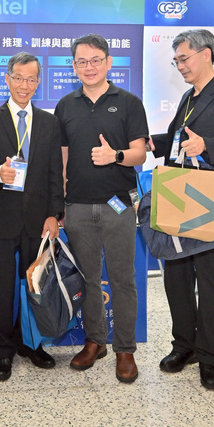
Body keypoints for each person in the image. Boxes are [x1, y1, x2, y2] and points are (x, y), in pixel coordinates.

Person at [148, 29, 214, 390]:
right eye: (176, 60)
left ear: (206, 54)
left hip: (211, 204)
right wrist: (146, 141)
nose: (179, 66)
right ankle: (183, 346)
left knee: (210, 283)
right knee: (175, 278)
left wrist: (207, 144)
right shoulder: (188, 98)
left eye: (184, 58)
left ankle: (208, 356)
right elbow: (179, 140)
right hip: (178, 197)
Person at [54, 33, 148, 383]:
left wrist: (116, 155)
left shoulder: (128, 103)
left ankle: (125, 348)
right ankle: (95, 341)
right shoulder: (65, 105)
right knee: (88, 279)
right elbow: (62, 158)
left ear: (109, 62)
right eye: (82, 61)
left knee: (123, 279)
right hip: (77, 207)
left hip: (118, 204)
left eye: (95, 60)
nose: (89, 67)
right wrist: (61, 201)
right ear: (73, 66)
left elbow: (140, 153)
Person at [0, 52, 64, 381]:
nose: (24, 85)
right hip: (0, 218)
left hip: (38, 220)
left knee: (35, 286)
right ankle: (2, 351)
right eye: (18, 78)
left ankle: (30, 343)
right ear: (7, 79)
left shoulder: (49, 123)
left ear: (39, 82)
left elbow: (55, 172)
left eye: (31, 79)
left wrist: (55, 214)